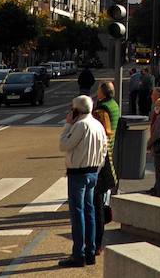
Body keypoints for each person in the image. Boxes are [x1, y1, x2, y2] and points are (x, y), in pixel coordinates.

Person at [58, 95, 108, 268]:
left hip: (78, 173)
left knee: (78, 213)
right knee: (90, 212)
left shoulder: (80, 125)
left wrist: (68, 124)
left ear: (76, 110)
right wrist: (97, 168)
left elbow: (64, 145)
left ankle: (78, 253)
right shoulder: (98, 125)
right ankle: (90, 251)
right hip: (93, 171)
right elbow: (103, 151)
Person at [91, 81, 121, 255]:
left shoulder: (102, 109)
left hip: (101, 158)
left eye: (98, 91)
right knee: (102, 200)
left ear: (103, 93)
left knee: (97, 204)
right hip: (109, 152)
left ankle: (96, 243)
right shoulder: (115, 105)